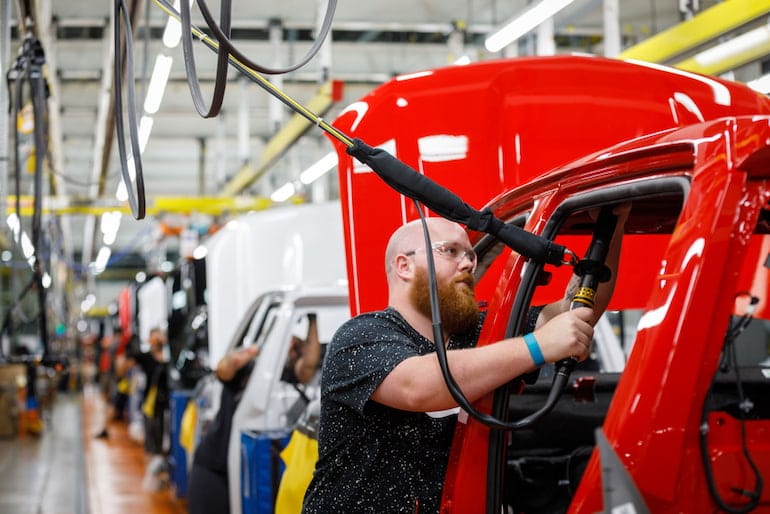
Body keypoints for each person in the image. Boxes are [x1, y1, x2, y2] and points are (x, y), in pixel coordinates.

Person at [302, 207, 629, 514]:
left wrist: (613, 224)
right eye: (451, 251)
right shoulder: (361, 336)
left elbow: (575, 313)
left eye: (470, 254)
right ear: (404, 266)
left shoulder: (476, 335)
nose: (469, 263)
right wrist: (537, 346)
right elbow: (419, 386)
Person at [187, 312, 322, 514]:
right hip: (216, 465)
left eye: (296, 346)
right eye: (289, 342)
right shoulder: (248, 369)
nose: (292, 347)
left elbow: (309, 363)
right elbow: (223, 368)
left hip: (252, 468)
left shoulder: (290, 374)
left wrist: (312, 320)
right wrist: (265, 346)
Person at [126, 327, 171, 491]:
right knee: (152, 440)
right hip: (151, 405)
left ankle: (162, 474)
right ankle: (152, 475)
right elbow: (130, 357)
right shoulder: (145, 357)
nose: (157, 340)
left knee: (165, 441)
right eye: (154, 337)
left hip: (167, 404)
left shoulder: (170, 356)